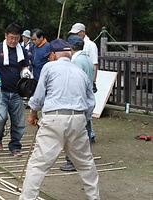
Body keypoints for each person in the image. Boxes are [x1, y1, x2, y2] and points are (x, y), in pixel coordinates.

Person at [20, 39, 100, 200]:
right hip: (78, 119)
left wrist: (32, 114)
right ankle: (94, 197)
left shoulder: (49, 67)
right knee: (86, 163)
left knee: (38, 164)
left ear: (54, 55)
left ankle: (27, 198)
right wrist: (83, 120)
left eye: (50, 55)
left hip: (54, 119)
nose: (50, 57)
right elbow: (91, 102)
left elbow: (39, 95)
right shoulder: (80, 72)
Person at [0, 22, 31, 157]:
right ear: (6, 36)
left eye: (16, 38)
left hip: (17, 92)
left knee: (19, 122)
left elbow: (24, 66)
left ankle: (15, 146)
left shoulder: (23, 51)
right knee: (0, 118)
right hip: (0, 90)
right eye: (11, 37)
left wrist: (26, 72)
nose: (13, 41)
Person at [59, 35, 96, 171]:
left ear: (71, 47)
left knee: (74, 133)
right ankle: (85, 159)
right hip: (88, 100)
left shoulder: (75, 62)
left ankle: (72, 161)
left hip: (78, 100)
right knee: (85, 131)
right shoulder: (88, 60)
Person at [69, 22, 98, 142]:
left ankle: (88, 136)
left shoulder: (90, 46)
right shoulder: (84, 58)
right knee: (86, 114)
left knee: (82, 116)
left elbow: (95, 64)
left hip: (82, 91)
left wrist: (94, 81)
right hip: (86, 89)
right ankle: (88, 135)